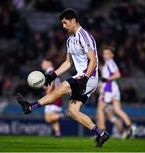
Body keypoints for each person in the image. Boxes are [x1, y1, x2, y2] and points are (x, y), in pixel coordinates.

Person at [16, 9, 109, 147]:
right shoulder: (70, 40)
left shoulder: (85, 36)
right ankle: (100, 134)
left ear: (73, 21)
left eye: (65, 23)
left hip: (89, 77)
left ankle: (31, 106)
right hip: (82, 77)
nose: (64, 26)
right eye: (62, 24)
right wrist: (52, 75)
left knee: (61, 88)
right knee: (72, 112)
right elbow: (68, 62)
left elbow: (93, 61)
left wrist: (85, 78)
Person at [97, 46, 136, 139]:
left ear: (112, 55)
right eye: (104, 53)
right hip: (114, 89)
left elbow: (117, 74)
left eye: (107, 53)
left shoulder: (110, 62)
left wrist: (106, 79)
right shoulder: (110, 63)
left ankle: (102, 132)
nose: (105, 55)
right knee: (117, 110)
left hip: (109, 89)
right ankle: (130, 127)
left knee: (100, 110)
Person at [41, 57, 64, 137]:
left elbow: (51, 84)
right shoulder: (54, 72)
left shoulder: (50, 72)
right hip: (57, 97)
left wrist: (47, 94)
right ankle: (58, 133)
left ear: (48, 63)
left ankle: (64, 115)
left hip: (53, 98)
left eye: (43, 63)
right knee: (53, 118)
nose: (42, 65)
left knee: (48, 118)